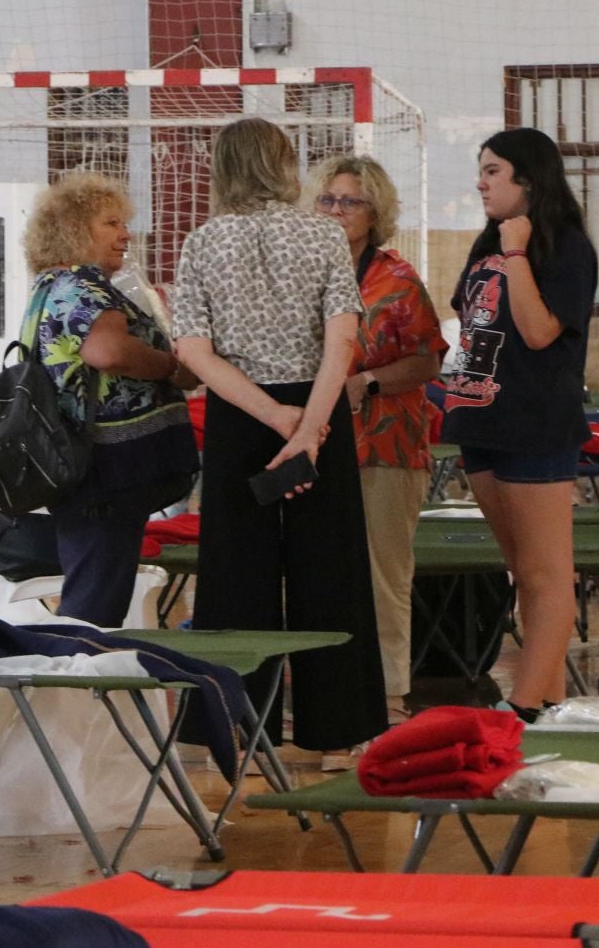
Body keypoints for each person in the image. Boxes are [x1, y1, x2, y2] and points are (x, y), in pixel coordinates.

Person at [172, 119, 387, 757]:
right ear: (284, 164)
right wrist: (310, 426)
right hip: (317, 415)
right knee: (334, 571)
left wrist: (271, 417)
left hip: (243, 416)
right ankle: (340, 727)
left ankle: (237, 728)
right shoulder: (324, 235)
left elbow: (192, 351)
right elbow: (341, 341)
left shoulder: (202, 242)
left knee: (235, 575)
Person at [439, 127, 598, 724]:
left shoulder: (564, 248)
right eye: (481, 170)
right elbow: (472, 322)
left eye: (493, 171)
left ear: (529, 179)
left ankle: (525, 705)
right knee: (521, 571)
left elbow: (537, 331)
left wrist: (515, 254)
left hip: (537, 422)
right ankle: (552, 697)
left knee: (545, 570)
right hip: (482, 420)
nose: (481, 182)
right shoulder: (488, 244)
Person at [23, 172, 199, 627]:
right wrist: (170, 367)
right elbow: (109, 352)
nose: (125, 235)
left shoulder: (49, 287)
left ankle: (85, 679)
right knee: (97, 595)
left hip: (84, 466)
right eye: (111, 223)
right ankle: (81, 680)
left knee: (97, 581)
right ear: (76, 229)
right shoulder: (83, 288)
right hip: (105, 468)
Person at [308, 155, 445, 722]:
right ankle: (320, 694)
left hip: (385, 443)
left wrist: (368, 382)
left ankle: (387, 697)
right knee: (318, 573)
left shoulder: (398, 279)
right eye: (329, 200)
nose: (338, 211)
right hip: (312, 441)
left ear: (375, 212)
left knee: (382, 574)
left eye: (351, 201)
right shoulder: (302, 270)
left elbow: (430, 359)